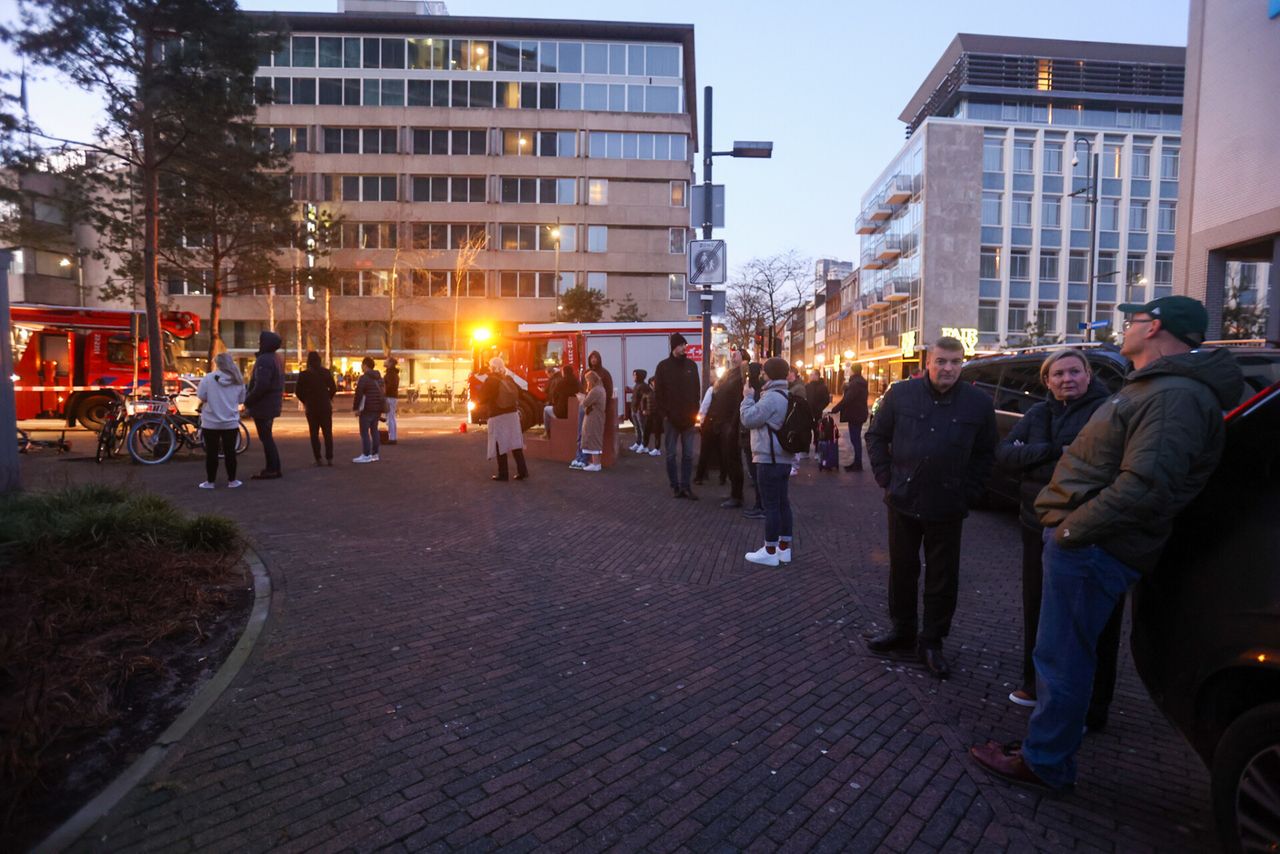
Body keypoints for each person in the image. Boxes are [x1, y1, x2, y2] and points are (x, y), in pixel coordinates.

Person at [971, 296, 1244, 791]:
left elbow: (1145, 485)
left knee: (1062, 656)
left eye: (1133, 320)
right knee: (1061, 653)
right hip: (1087, 541)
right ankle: (1045, 745)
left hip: (1092, 546)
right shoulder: (1155, 390)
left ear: (1154, 327)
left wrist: (1073, 530)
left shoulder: (1172, 396)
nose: (1126, 327)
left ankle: (1045, 760)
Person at [864, 336, 998, 679]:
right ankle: (903, 630)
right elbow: (876, 435)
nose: (948, 368)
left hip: (948, 504)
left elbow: (986, 453)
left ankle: (932, 640)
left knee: (942, 577)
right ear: (928, 362)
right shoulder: (901, 394)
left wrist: (970, 492)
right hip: (903, 499)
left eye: (955, 362)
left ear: (962, 363)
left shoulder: (978, 404)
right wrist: (885, 478)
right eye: (941, 361)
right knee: (902, 569)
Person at [994, 349, 1113, 715]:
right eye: (1058, 374)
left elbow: (1094, 463)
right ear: (1047, 381)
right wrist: (1050, 451)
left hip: (1082, 527)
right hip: (1034, 522)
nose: (1066, 379)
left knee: (1090, 618)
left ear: (1088, 375)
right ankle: (1034, 683)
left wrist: (1034, 456)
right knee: (1038, 606)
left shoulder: (1105, 412)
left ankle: (1094, 701)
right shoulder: (1038, 413)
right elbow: (1004, 455)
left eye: (1074, 372)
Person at [739, 357, 797, 566]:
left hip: (768, 458)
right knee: (783, 503)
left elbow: (748, 419)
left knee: (770, 505)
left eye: (764, 371)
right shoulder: (787, 395)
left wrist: (747, 398)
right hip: (783, 459)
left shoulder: (771, 398)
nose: (761, 375)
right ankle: (784, 549)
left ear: (770, 374)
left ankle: (770, 550)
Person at [654, 333, 701, 499]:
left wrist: (695, 411)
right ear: (674, 347)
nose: (684, 348)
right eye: (681, 345)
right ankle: (675, 486)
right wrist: (665, 414)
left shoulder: (691, 366)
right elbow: (658, 393)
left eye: (684, 345)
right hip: (671, 419)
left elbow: (696, 390)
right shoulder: (663, 367)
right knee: (671, 454)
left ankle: (686, 486)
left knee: (688, 454)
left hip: (688, 418)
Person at [196, 352, 247, 489]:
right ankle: (232, 481)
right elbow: (241, 400)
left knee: (211, 453)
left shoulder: (208, 379)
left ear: (217, 364)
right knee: (230, 452)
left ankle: (210, 482)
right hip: (230, 422)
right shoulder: (238, 380)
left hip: (210, 422)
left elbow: (201, 396)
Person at [707, 349, 747, 508]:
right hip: (722, 421)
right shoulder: (730, 374)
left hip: (731, 423)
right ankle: (734, 492)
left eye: (736, 354)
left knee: (733, 459)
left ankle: (737, 495)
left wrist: (733, 423)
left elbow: (739, 401)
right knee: (727, 458)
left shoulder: (742, 376)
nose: (732, 356)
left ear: (743, 358)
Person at [243, 330, 285, 480]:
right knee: (267, 437)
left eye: (260, 341)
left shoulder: (265, 360)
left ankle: (272, 468)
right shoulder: (276, 359)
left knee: (266, 438)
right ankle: (273, 467)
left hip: (263, 406)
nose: (258, 343)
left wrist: (248, 400)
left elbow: (261, 385)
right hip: (270, 405)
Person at [480, 356, 529, 481]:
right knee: (515, 443)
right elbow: (520, 393)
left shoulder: (491, 380)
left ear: (492, 367)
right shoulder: (509, 379)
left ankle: (503, 473)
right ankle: (522, 471)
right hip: (512, 415)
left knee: (499, 443)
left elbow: (482, 398)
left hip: (497, 415)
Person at [295, 350, 337, 466]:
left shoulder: (304, 375)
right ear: (320, 361)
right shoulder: (326, 372)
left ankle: (318, 458)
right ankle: (329, 458)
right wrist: (328, 397)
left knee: (314, 433)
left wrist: (306, 401)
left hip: (312, 407)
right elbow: (333, 388)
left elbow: (298, 391)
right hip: (325, 406)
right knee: (327, 433)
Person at [740, 358, 766, 519]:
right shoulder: (761, 389)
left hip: (753, 437)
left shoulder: (752, 391)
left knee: (756, 473)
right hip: (752, 437)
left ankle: (760, 504)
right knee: (756, 473)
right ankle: (760, 503)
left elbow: (749, 416)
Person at [831, 365, 869, 471]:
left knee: (855, 439)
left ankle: (858, 464)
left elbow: (848, 399)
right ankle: (857, 462)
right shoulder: (859, 382)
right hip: (858, 413)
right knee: (855, 439)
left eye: (850, 370)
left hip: (855, 414)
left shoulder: (856, 383)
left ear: (853, 371)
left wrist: (835, 409)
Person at [352, 356, 385, 463]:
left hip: (366, 408)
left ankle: (366, 454)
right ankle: (375, 454)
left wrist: (356, 408)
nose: (361, 367)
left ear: (365, 365)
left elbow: (359, 394)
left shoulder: (364, 378)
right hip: (377, 408)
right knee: (374, 430)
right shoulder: (379, 378)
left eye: (362, 365)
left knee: (364, 432)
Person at [579, 370, 606, 473]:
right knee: (597, 438)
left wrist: (581, 398)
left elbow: (585, 402)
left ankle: (595, 464)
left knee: (592, 438)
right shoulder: (601, 389)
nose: (587, 383)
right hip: (598, 417)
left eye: (587, 380)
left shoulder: (595, 390)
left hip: (593, 418)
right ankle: (597, 463)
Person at [693, 385, 719, 485]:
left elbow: (704, 406)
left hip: (710, 423)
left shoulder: (712, 389)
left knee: (705, 450)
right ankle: (724, 475)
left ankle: (700, 476)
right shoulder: (730, 388)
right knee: (723, 451)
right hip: (723, 422)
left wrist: (700, 422)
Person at [546, 366, 578, 440]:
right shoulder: (576, 382)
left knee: (546, 410)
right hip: (573, 412)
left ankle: (548, 433)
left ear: (564, 372)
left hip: (561, 412)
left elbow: (554, 395)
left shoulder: (561, 383)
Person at [805, 370, 831, 458]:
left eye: (812, 375)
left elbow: (826, 400)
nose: (810, 376)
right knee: (806, 432)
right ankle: (806, 450)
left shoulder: (823, 387)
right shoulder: (807, 386)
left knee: (817, 432)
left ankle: (817, 451)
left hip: (817, 413)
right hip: (808, 413)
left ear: (817, 376)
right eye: (810, 375)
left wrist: (819, 408)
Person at [628, 369, 652, 453]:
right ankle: (638, 442)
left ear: (640, 376)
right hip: (635, 410)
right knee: (637, 427)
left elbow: (646, 399)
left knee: (643, 428)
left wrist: (644, 409)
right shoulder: (637, 385)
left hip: (640, 411)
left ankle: (644, 445)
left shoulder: (644, 386)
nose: (633, 377)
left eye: (635, 375)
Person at [383, 357, 400, 444]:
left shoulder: (390, 374)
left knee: (390, 418)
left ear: (390, 364)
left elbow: (389, 386)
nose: (384, 361)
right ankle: (393, 437)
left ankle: (392, 438)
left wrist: (384, 394)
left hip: (389, 397)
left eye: (386, 361)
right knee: (391, 417)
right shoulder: (394, 373)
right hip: (393, 397)